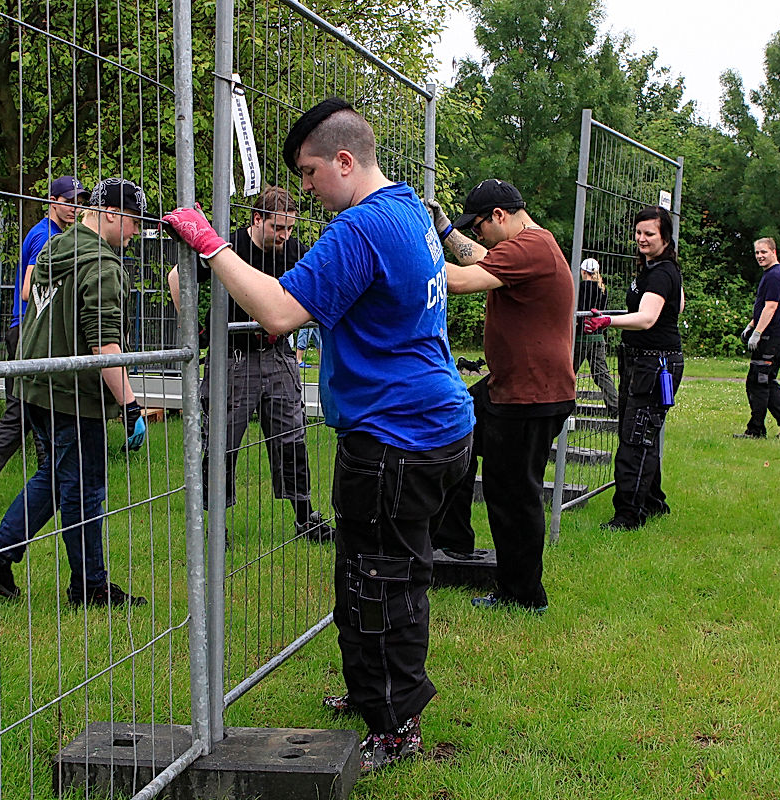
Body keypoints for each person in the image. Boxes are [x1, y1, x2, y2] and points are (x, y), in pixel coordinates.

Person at [162, 97, 474, 771]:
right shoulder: (411, 209)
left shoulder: (361, 228)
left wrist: (212, 245)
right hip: (434, 422)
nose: (303, 190)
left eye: (308, 174)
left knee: (378, 580)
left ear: (342, 161)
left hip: (395, 435)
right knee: (386, 570)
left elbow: (277, 312)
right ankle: (375, 692)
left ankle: (393, 723)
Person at [0, 177, 151, 605]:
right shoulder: (102, 266)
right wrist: (130, 405)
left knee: (56, 479)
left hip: (34, 384)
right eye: (135, 222)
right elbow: (104, 344)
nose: (137, 233)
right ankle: (89, 587)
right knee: (85, 489)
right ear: (111, 213)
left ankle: (2, 556)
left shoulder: (55, 247)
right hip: (72, 395)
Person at [424, 180, 576, 614]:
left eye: (480, 226)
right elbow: (482, 256)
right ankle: (453, 541)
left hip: (531, 395)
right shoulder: (529, 243)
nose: (480, 235)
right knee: (455, 434)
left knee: (513, 494)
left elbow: (458, 279)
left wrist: (411, 239)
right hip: (509, 386)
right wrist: (446, 231)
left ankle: (524, 596)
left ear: (499, 216)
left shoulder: (530, 247)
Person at [167, 186, 330, 542]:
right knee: (220, 442)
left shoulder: (293, 251)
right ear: (258, 219)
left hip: (278, 354)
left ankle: (305, 516)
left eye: (290, 229)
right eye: (278, 228)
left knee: (291, 436)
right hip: (232, 357)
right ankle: (214, 526)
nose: (285, 237)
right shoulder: (230, 247)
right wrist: (191, 330)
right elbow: (177, 278)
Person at [0, 176, 87, 515]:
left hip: (30, 331)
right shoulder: (44, 237)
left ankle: (52, 484)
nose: (74, 207)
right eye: (69, 200)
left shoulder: (53, 234)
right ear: (51, 200)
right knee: (22, 414)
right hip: (28, 332)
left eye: (79, 201)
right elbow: (28, 290)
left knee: (37, 411)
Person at [583, 206, 685, 531]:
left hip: (654, 363)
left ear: (665, 237)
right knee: (643, 434)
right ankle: (654, 503)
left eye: (649, 233)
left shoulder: (661, 272)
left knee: (635, 436)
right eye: (639, 232)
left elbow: (647, 318)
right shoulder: (654, 268)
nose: (641, 238)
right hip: (643, 359)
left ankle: (627, 516)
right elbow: (678, 305)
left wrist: (607, 320)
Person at [735, 237, 780, 440]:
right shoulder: (772, 274)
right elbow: (765, 307)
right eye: (757, 253)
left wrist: (758, 333)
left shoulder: (774, 276)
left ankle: (756, 430)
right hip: (775, 334)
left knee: (758, 382)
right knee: (766, 381)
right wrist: (752, 325)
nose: (760, 256)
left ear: (774, 252)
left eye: (764, 252)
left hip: (772, 336)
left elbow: (771, 307)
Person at [574, 258, 619, 416]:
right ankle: (615, 407)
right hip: (598, 337)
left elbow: (577, 311)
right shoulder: (602, 289)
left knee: (568, 373)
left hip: (581, 337)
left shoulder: (580, 288)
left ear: (583, 271)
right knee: (602, 374)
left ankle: (562, 404)